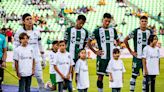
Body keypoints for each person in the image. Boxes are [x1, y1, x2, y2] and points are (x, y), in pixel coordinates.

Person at [13, 13, 46, 92]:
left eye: (31, 18)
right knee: (24, 80)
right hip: (24, 60)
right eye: (27, 19)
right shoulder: (19, 32)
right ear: (23, 21)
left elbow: (40, 45)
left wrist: (44, 58)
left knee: (40, 78)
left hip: (36, 59)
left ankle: (41, 90)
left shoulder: (37, 31)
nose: (30, 21)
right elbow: (16, 47)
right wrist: (14, 63)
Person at [88, 13, 119, 92]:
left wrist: (116, 48)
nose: (107, 23)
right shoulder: (97, 31)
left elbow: (118, 40)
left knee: (114, 76)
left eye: (109, 21)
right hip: (102, 58)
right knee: (100, 77)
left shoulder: (113, 30)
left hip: (112, 58)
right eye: (106, 21)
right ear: (103, 20)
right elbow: (88, 42)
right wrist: (95, 51)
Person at [124, 16, 153, 92]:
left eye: (145, 21)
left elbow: (153, 42)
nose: (144, 22)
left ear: (147, 22)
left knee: (145, 76)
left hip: (146, 59)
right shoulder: (135, 31)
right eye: (142, 21)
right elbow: (125, 40)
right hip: (137, 58)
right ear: (140, 22)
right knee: (134, 76)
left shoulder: (150, 32)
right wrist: (131, 51)